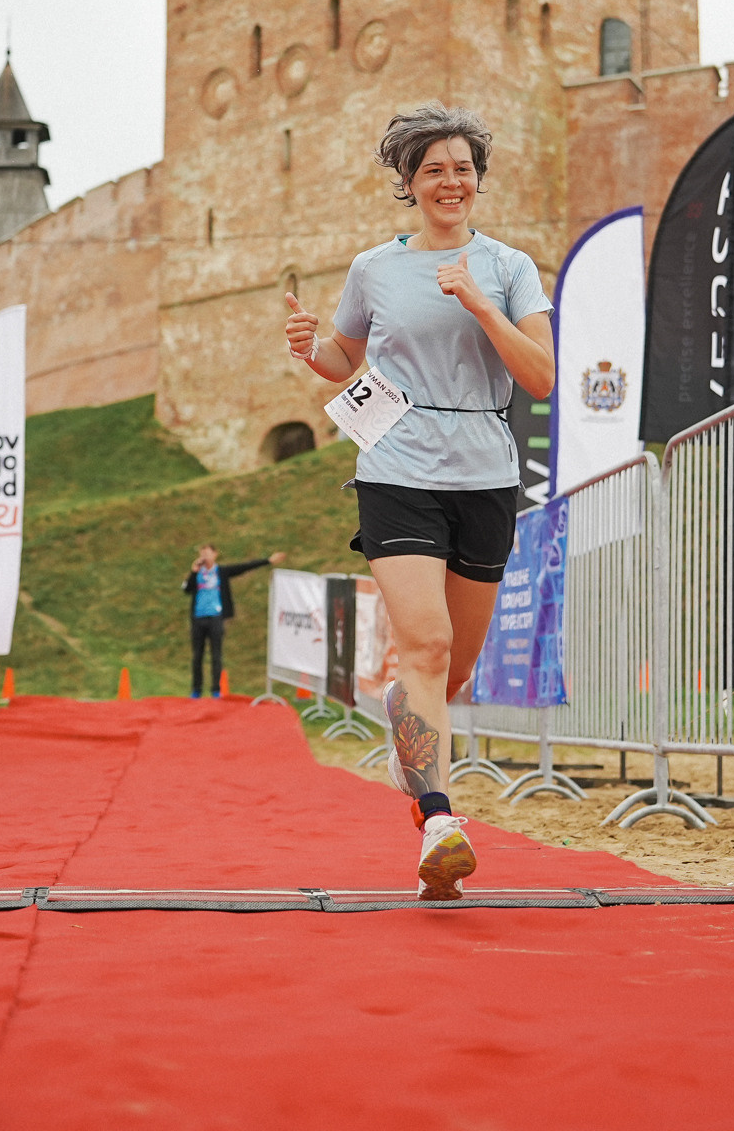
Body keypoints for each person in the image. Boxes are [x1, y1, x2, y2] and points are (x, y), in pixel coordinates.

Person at [282, 103, 555, 900]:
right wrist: (312, 351)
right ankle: (439, 818)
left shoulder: (508, 267)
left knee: (451, 671)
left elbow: (537, 376)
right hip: (396, 468)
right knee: (426, 646)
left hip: (484, 473)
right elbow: (345, 358)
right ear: (409, 183)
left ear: (479, 180)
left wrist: (478, 302)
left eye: (462, 168)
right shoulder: (375, 268)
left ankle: (412, 726)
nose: (450, 181)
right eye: (432, 169)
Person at [184, 544, 283, 698]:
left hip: (215, 617)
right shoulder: (197, 573)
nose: (204, 556)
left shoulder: (221, 572)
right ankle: (196, 689)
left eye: (207, 553)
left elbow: (244, 567)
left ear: (215, 554)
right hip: (198, 618)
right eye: (202, 553)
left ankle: (215, 690)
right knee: (197, 655)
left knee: (216, 655)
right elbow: (187, 589)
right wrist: (193, 572)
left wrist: (268, 561)